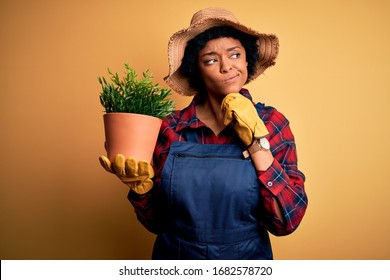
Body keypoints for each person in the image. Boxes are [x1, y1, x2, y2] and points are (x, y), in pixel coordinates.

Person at [99, 7, 308, 260]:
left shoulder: (273, 123)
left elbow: (287, 222)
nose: (226, 67)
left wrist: (256, 142)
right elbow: (157, 224)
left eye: (235, 55)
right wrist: (142, 191)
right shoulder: (170, 128)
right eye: (210, 59)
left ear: (246, 60)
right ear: (196, 69)